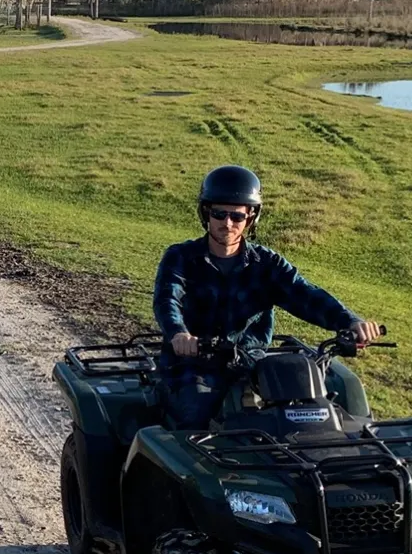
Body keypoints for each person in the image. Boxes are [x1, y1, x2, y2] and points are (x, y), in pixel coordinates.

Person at [152, 165, 382, 428]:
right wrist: (179, 335)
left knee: (319, 405)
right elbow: (167, 299)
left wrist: (350, 322)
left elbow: (305, 295)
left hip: (251, 362)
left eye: (236, 216)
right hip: (194, 364)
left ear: (250, 218)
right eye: (219, 214)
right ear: (206, 213)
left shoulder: (267, 263)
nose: (227, 223)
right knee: (197, 412)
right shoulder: (181, 257)